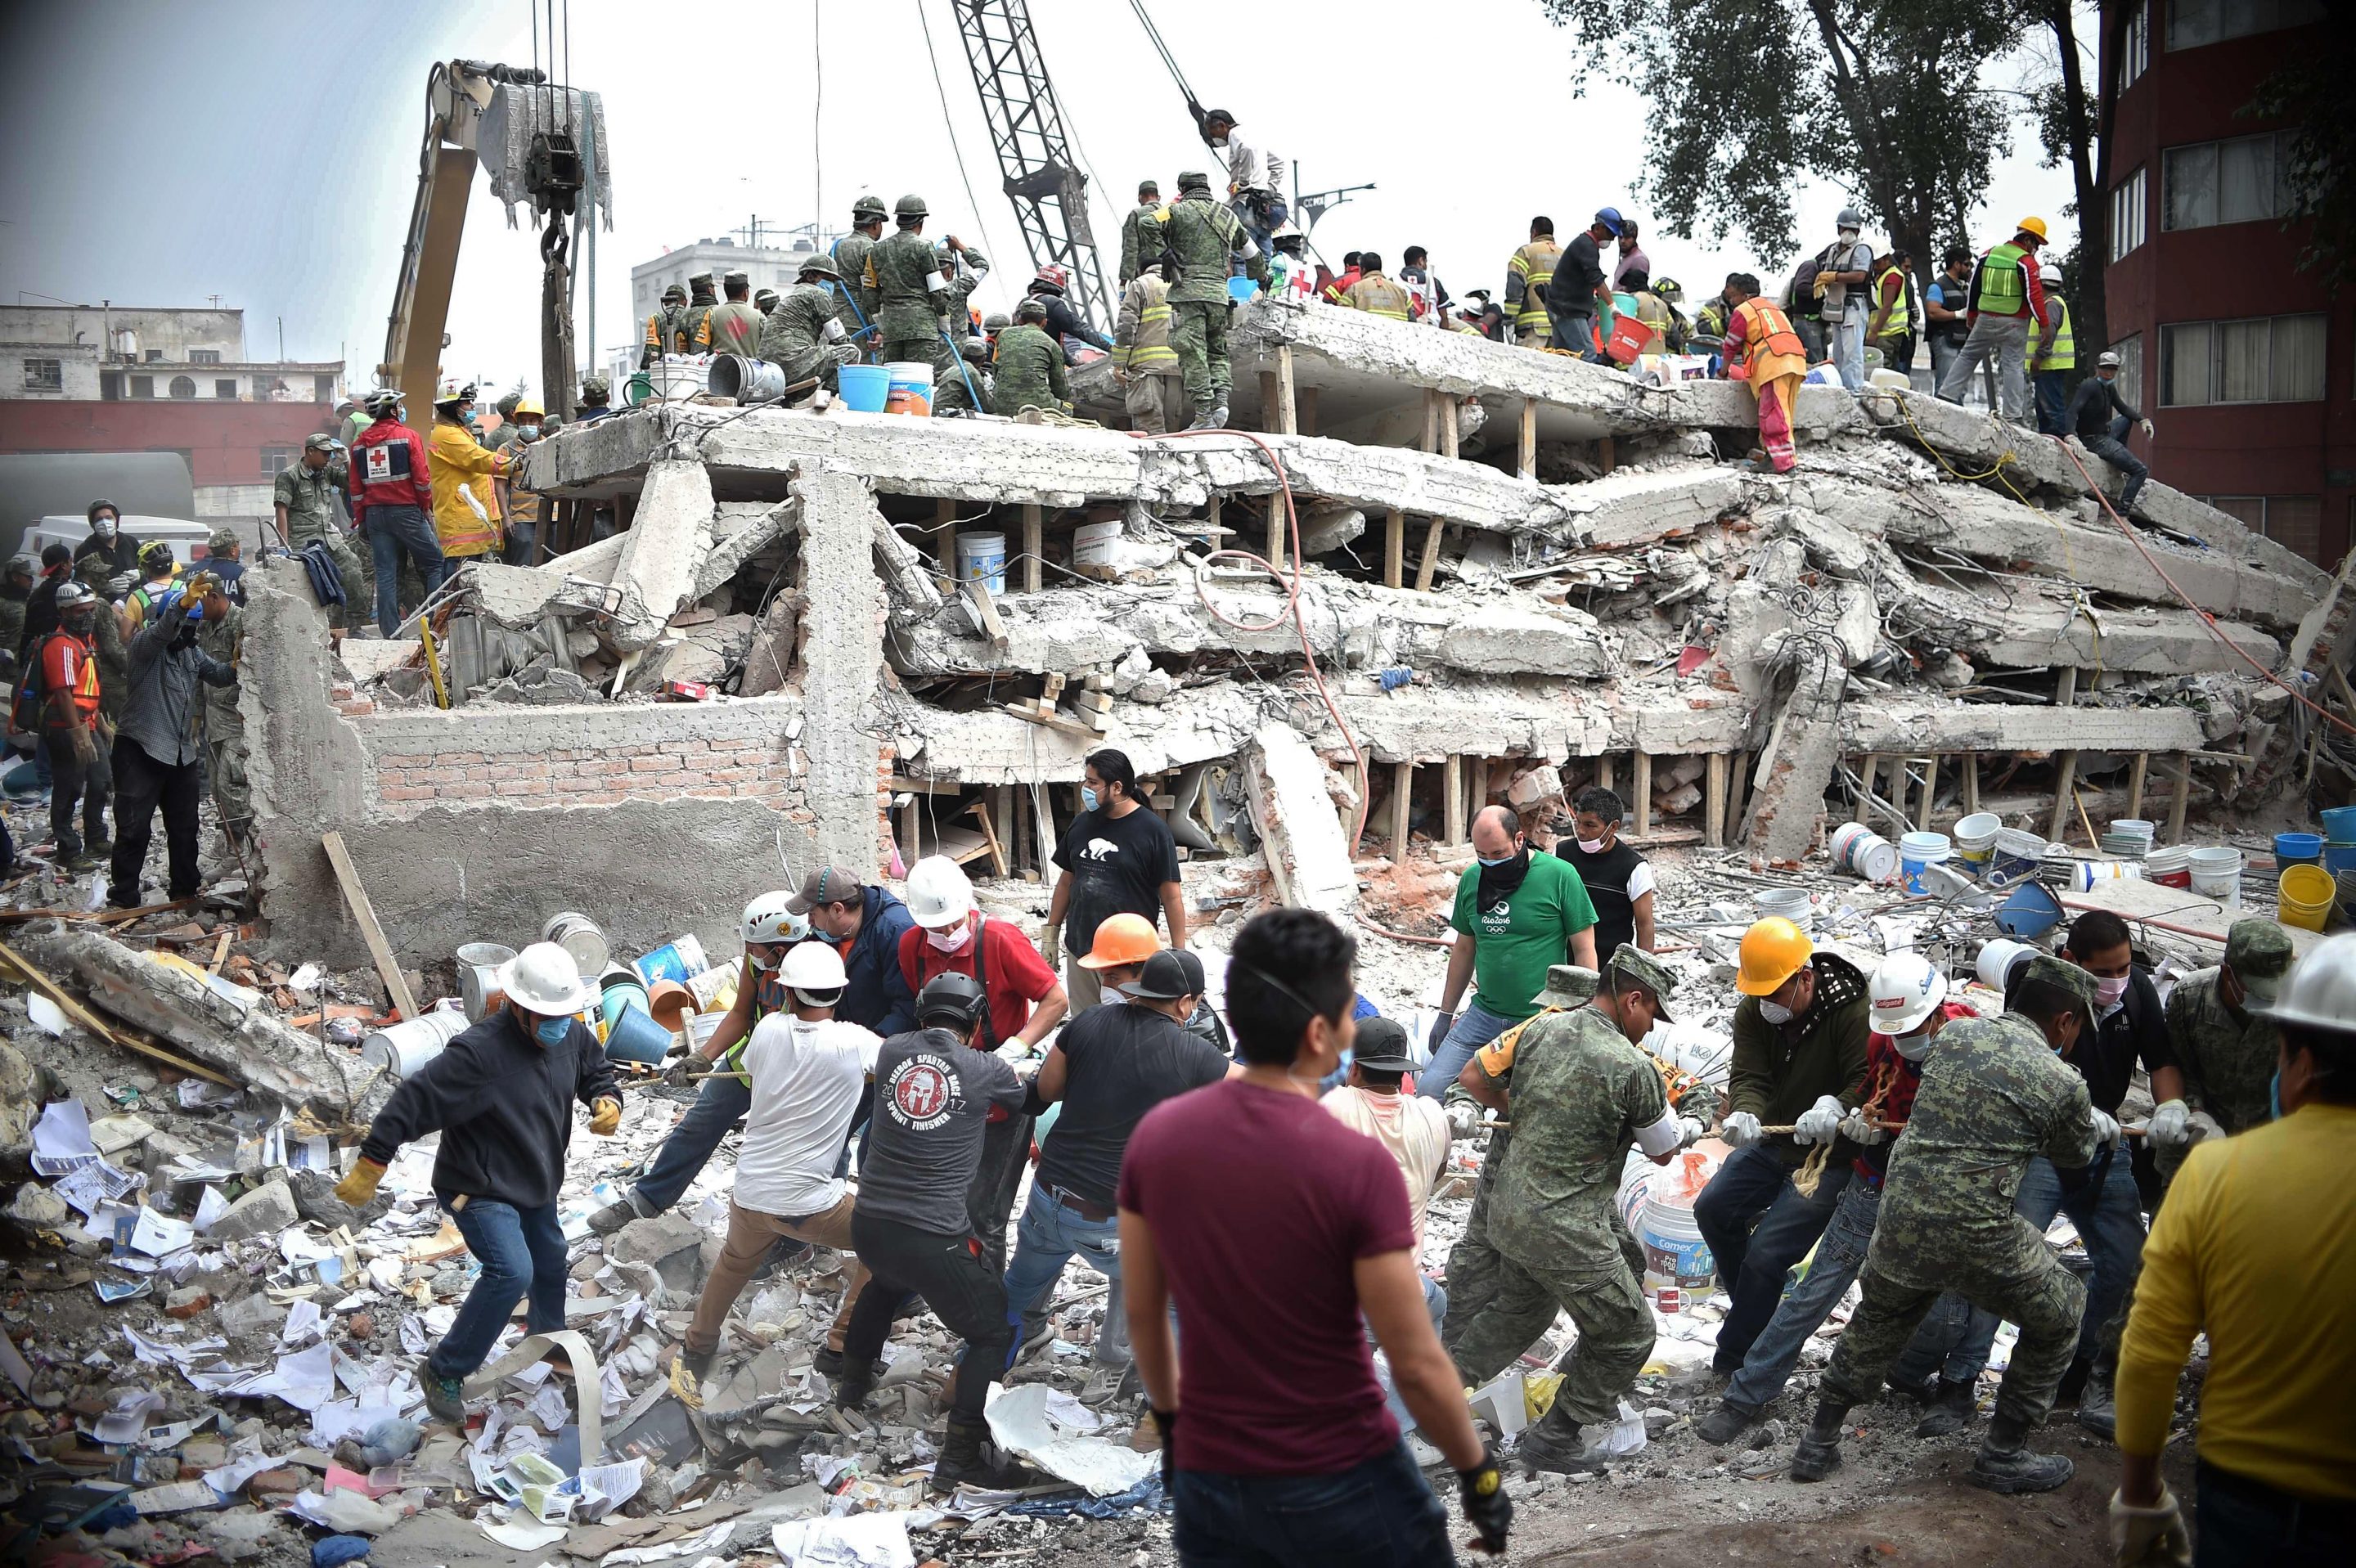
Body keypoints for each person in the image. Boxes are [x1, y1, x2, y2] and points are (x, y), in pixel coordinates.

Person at [1118, 908, 1512, 1563]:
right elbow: (1413, 1360)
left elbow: (1147, 1312)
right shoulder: (1353, 1164)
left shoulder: (1157, 1139)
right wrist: (1479, 1473)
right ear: (1321, 1033)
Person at [1791, 955, 2107, 1494]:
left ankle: (1817, 1442)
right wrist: (2097, 1125)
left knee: (1877, 1321)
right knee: (2062, 1309)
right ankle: (2004, 1452)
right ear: (2065, 1020)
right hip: (1976, 1229)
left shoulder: (1956, 1036)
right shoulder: (2062, 1080)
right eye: (2079, 1025)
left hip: (1901, 1213)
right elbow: (2074, 1155)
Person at [2111, 932, 2356, 1568]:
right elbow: (2172, 1066)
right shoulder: (2189, 1002)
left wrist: (2140, 1496)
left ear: (2299, 1061)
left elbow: (2153, 1348)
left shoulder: (2216, 1178)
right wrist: (2183, 1109)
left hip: (2252, 1493)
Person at [1699, 952, 1986, 1446]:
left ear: (1939, 1012)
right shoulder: (1881, 1039)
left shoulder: (1978, 1048)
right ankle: (1746, 1394)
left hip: (1944, 1193)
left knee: (1967, 1289)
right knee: (1814, 1291)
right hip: (1873, 1181)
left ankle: (1947, 1381)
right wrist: (1856, 1117)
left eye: (1912, 1029)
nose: (1904, 1041)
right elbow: (1868, 1087)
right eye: (1896, 1031)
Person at [336, 943, 618, 1421]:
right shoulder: (478, 1054)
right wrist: (373, 1160)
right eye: (545, 1015)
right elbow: (414, 1100)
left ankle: (546, 1340)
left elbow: (595, 1070)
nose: (557, 1024)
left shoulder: (568, 1033)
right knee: (513, 1272)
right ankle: (445, 1368)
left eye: (564, 1015)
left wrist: (605, 1098)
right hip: (479, 1187)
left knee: (550, 1257)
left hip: (535, 1178)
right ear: (517, 1006)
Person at [1936, 910, 2179, 1438]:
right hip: (2042, 1146)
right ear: (2072, 961)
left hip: (2103, 1145)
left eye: (2125, 967)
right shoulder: (2038, 985)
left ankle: (2083, 1371)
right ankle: (1958, 1383)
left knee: (2127, 1262)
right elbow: (2024, 1055)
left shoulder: (2135, 991)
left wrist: (2171, 1108)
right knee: (2003, 1260)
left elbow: (2160, 1060)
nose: (2118, 979)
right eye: (2106, 971)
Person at [1472, 946, 1690, 1472]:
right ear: (1632, 999)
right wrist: (1695, 1127)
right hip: (1564, 1226)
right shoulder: (1632, 1065)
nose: (1649, 1028)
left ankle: (1436, 1393)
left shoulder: (1543, 1028)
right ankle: (1559, 1433)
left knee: (1538, 1303)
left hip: (1509, 1210)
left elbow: (1477, 1074)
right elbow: (1663, 1147)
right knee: (1633, 1331)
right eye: (1651, 1015)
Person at [832, 973, 1036, 1489]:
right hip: (932, 1234)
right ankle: (961, 1455)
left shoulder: (894, 1050)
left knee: (886, 1285)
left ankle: (850, 1390)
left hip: (871, 1222)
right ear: (975, 1024)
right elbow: (1019, 1100)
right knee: (993, 1331)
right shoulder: (985, 1066)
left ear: (922, 1015)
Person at [1005, 944, 1233, 1403]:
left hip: (1049, 1195)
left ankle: (984, 1364)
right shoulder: (1194, 1054)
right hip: (1110, 1219)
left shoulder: (1088, 1022)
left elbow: (1047, 1088)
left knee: (1018, 1286)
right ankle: (1137, 1388)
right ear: (1187, 1003)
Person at [672, 941, 879, 1404]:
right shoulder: (855, 1042)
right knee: (883, 1243)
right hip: (810, 1205)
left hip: (749, 1194)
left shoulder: (766, 1030)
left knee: (733, 1264)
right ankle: (840, 1345)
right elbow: (891, 1066)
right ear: (837, 994)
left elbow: (771, 1066)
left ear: (786, 993)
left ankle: (695, 1349)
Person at [590, 890, 830, 1234]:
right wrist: (702, 1057)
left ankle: (801, 1235)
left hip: (798, 1075)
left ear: (783, 946)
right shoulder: (758, 962)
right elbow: (741, 1014)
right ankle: (644, 1201)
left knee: (801, 1153)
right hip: (748, 1064)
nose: (749, 952)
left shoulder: (816, 970)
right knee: (698, 1124)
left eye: (756, 947)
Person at [1696, 916, 1869, 1374]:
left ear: (1805, 979)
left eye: (1775, 993)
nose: (1765, 1004)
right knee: (1713, 1209)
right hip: (1773, 1141)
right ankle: (1758, 1312)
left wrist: (1838, 1105)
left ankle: (1736, 1357)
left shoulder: (1851, 1011)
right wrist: (1745, 1111)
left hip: (1828, 1159)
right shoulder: (1756, 1010)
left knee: (1767, 1255)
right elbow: (1749, 1074)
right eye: (1758, 994)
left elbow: (1867, 1077)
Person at [896, 856, 1066, 1273]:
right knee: (937, 1201)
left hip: (998, 1082)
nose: (948, 934)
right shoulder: (911, 947)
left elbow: (1055, 999)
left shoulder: (1000, 940)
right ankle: (942, 1284)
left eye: (954, 924)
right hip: (948, 1085)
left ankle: (988, 1311)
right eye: (937, 928)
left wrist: (1017, 1047)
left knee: (983, 1210)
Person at [1321, 1015, 1451, 1454]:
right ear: (1405, 1074)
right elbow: (1437, 1174)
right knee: (1433, 1306)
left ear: (1353, 1069)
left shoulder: (1330, 1109)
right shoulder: (1433, 1116)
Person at [1423, 804, 1600, 1100]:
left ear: (1519, 840)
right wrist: (1445, 1014)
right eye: (1482, 855)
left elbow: (1584, 950)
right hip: (1485, 1013)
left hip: (1541, 1017)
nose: (1490, 862)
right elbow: (1465, 949)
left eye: (1498, 854)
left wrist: (1581, 1016)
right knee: (1430, 1091)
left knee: (1533, 1102)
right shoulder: (1472, 880)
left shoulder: (1559, 876)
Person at [108, 571, 236, 908]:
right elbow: (164, 629)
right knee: (134, 829)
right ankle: (123, 897)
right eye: (183, 627)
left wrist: (241, 659)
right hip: (140, 748)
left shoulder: (191, 654)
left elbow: (221, 675)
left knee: (184, 827)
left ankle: (184, 891)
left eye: (193, 629)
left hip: (180, 752)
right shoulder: (144, 648)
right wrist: (182, 604)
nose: (187, 634)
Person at [1044, 748, 1185, 1011]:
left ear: (1117, 787)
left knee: (1128, 1030)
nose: (1085, 788)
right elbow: (1066, 883)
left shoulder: (1153, 831)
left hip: (1127, 957)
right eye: (1085, 780)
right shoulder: (1081, 824)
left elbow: (1172, 896)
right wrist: (1050, 934)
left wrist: (1180, 954)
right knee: (1085, 1027)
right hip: (1081, 950)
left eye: (1092, 782)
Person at [1141, 170, 1266, 431]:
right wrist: (1260, 277)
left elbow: (1147, 223)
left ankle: (1203, 415)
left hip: (1189, 294)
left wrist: (1165, 253)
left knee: (1192, 352)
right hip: (1219, 297)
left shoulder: (1176, 211)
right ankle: (1220, 403)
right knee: (1217, 350)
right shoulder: (1228, 216)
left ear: (1183, 189)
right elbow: (1251, 253)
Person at [2159, 919, 2291, 1159]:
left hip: (2269, 1145)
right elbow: (2178, 1064)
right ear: (2227, 972)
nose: (2270, 1000)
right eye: (2258, 991)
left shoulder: (2297, 1005)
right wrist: (2197, 1115)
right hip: (2196, 1139)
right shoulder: (2188, 998)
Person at [1936, 217, 2053, 424]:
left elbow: (1974, 286)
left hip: (1985, 319)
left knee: (1968, 356)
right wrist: (2044, 324)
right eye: (2036, 244)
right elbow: (2034, 296)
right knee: (2013, 366)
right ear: (2027, 240)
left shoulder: (1988, 255)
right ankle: (2013, 416)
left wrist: (1972, 314)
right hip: (2014, 322)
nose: (2036, 249)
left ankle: (1945, 396)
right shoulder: (2026, 262)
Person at [34, 582, 110, 871]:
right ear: (65, 611)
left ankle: (96, 837)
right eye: (82, 611)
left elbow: (88, 687)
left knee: (101, 780)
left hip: (87, 723)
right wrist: (78, 734)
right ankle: (68, 849)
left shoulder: (84, 640)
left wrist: (99, 723)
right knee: (68, 788)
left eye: (91, 610)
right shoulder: (61, 645)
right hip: (66, 728)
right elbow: (64, 693)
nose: (88, 616)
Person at [274, 434, 365, 638]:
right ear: (310, 452)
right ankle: (321, 633)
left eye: (330, 454)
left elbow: (352, 484)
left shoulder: (326, 472)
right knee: (317, 585)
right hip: (304, 541)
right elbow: (281, 511)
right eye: (324, 453)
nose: (328, 457)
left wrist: (347, 461)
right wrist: (284, 548)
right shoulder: (289, 476)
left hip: (329, 539)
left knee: (352, 570)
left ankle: (354, 629)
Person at [1720, 273, 1810, 474]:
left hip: (1774, 362)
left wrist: (1723, 371)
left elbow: (1731, 345)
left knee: (1773, 413)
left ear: (1744, 296)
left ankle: (1784, 464)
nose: (1732, 302)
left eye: (1733, 296)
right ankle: (1775, 457)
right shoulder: (1772, 308)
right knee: (1785, 413)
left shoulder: (1744, 311)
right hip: (1794, 359)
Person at [1554, 786, 1655, 958]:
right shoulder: (1561, 854)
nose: (1580, 831)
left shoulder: (1634, 868)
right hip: (1565, 962)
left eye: (1590, 825)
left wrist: (1640, 975)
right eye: (1578, 822)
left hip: (1610, 965)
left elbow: (1644, 925)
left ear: (1613, 827)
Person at [425, 379, 506, 590]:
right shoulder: (447, 435)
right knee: (458, 592)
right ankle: (443, 623)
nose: (472, 408)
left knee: (467, 592)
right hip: (462, 529)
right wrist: (515, 464)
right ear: (452, 407)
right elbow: (478, 459)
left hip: (469, 525)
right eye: (467, 403)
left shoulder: (459, 431)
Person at [194, 564, 249, 861]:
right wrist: (195, 718)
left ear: (214, 597)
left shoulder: (240, 622)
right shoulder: (203, 627)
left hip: (236, 720)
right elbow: (198, 675)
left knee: (233, 783)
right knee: (217, 786)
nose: (195, 608)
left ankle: (246, 847)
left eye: (199, 601)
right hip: (214, 722)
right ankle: (232, 844)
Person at [863, 195, 951, 372]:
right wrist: (943, 319)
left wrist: (881, 324)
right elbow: (937, 291)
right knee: (917, 380)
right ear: (921, 221)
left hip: (892, 329)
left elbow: (869, 292)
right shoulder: (924, 247)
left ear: (898, 220)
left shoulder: (877, 250)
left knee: (895, 381)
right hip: (922, 328)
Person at [1185, 102, 1287, 254]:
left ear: (1222, 126)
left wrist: (1243, 182)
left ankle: (1243, 279)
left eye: (1213, 133)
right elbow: (1278, 163)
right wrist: (1269, 188)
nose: (1214, 138)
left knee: (1243, 254)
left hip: (1246, 203)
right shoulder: (1252, 135)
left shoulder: (1235, 134)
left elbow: (1247, 150)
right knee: (1264, 256)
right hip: (1263, 206)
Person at [757, 255, 859, 393]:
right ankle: (826, 398)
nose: (832, 285)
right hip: (789, 363)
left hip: (767, 370)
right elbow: (839, 339)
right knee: (851, 352)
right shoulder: (818, 293)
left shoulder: (794, 296)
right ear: (811, 277)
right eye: (829, 279)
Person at [2070, 351, 2155, 517]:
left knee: (2125, 419)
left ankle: (2119, 459)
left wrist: (2143, 420)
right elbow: (2073, 410)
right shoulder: (2090, 386)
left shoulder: (2108, 387)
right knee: (2140, 471)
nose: (2109, 373)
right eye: (2105, 369)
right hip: (2094, 441)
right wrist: (2071, 436)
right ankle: (2122, 513)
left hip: (2105, 433)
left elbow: (2122, 407)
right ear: (2097, 369)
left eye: (2113, 369)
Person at [1113, 260, 1185, 434]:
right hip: (1177, 368)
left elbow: (1126, 326)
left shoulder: (1141, 284)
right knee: (1171, 429)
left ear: (1141, 269)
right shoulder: (1182, 285)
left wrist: (1118, 363)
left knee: (1150, 428)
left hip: (1147, 369)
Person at [928, 239, 992, 415]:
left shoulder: (919, 290)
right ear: (950, 271)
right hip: (953, 357)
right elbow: (982, 267)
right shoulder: (957, 287)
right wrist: (960, 247)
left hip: (927, 356)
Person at [1814, 209, 1876, 393]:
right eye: (1845, 228)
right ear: (1839, 228)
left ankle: (1855, 392)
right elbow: (1822, 267)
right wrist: (1823, 278)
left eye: (1852, 229)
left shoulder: (1861, 250)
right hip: (1837, 306)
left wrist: (1834, 276)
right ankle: (1842, 391)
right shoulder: (1833, 250)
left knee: (1853, 354)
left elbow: (1859, 275)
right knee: (1839, 355)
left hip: (1854, 306)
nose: (1848, 233)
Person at [1544, 210, 1618, 361]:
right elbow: (1595, 277)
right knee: (1588, 354)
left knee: (1564, 357)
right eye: (1610, 234)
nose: (1612, 239)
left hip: (1560, 307)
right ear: (1598, 228)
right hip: (1569, 311)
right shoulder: (1587, 246)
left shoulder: (1584, 244)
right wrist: (1612, 306)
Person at [991, 299, 1072, 416]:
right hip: (1039, 405)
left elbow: (996, 369)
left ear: (1020, 319)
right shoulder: (1052, 344)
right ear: (1044, 322)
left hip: (1002, 403)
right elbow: (1060, 387)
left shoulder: (1003, 335)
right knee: (1068, 409)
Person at [1021, 264, 1114, 362]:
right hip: (1041, 364)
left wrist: (1072, 362)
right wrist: (1111, 347)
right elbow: (1080, 329)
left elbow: (1053, 340)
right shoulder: (1052, 303)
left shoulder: (1023, 303)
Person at [830, 195, 888, 350]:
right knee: (862, 369)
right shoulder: (871, 249)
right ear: (876, 223)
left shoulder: (836, 247)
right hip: (860, 322)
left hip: (832, 321)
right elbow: (871, 291)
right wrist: (879, 328)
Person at [497, 402, 546, 566]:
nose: (527, 425)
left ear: (540, 424)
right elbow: (500, 486)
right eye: (523, 421)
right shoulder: (506, 450)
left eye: (532, 421)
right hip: (521, 518)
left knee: (552, 565)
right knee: (523, 566)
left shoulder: (551, 445)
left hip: (551, 516)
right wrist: (505, 517)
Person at [2031, 267, 2075, 435]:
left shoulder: (2050, 305)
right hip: (2050, 365)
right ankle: (2050, 439)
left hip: (2049, 365)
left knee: (2051, 410)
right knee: (2045, 410)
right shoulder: (2054, 303)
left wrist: (2038, 357)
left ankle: (2058, 442)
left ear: (2040, 284)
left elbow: (2048, 332)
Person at [1923, 245, 1975, 390]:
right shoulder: (1938, 286)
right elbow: (1933, 312)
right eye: (1966, 264)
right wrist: (1958, 314)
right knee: (1946, 384)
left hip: (1962, 343)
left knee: (1960, 387)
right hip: (1945, 341)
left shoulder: (1965, 287)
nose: (1969, 268)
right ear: (1956, 265)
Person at [1866, 246, 1914, 374]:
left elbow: (1887, 307)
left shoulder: (1892, 277)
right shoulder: (1882, 275)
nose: (1875, 266)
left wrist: (1874, 332)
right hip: (1885, 332)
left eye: (1878, 262)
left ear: (1887, 259)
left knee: (1883, 372)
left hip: (1888, 333)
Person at [119, 542, 180, 638]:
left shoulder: (137, 596)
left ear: (145, 568)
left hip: (150, 651)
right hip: (184, 652)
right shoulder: (185, 589)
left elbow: (125, 637)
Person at [73, 500, 140, 585]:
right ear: (93, 524)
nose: (104, 523)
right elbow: (79, 584)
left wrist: (140, 575)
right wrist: (106, 588)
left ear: (116, 520)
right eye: (99, 519)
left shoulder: (131, 542)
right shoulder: (85, 550)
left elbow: (149, 570)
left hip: (134, 596)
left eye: (109, 518)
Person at [701, 272, 762, 361]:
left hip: (720, 371)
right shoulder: (759, 317)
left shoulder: (712, 314)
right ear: (746, 292)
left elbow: (700, 348)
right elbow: (768, 348)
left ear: (726, 291)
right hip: (750, 371)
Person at [1339, 251, 1413, 321]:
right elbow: (1412, 319)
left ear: (1363, 270)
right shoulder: (1401, 291)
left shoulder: (1355, 289)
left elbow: (1343, 315)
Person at [1119, 179, 1164, 286]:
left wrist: (1123, 282)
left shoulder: (1136, 214)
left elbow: (1130, 249)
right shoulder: (1170, 213)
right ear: (1158, 197)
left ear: (1140, 197)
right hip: (1169, 273)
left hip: (1144, 274)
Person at [642, 282, 688, 366]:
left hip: (666, 372)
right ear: (685, 302)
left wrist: (645, 368)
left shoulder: (656, 319)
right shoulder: (692, 316)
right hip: (692, 372)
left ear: (665, 303)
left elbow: (651, 351)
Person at [1398, 245, 1449, 321]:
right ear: (1421, 261)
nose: (1426, 265)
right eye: (1426, 262)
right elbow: (1444, 316)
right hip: (1432, 329)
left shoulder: (1394, 281)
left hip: (1405, 328)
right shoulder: (1434, 282)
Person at [674, 273, 719, 356]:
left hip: (692, 366)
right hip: (718, 366)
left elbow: (680, 348)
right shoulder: (719, 313)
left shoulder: (684, 317)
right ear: (710, 290)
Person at [0, 554, 35, 661]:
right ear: (15, 577)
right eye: (28, 576)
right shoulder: (2, 602)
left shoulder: (28, 600)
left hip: (19, 666)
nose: (32, 580)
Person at [1610, 218, 1648, 290]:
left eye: (1627, 237)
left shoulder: (1639, 259)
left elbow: (1640, 290)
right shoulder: (1625, 258)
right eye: (1620, 237)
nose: (1623, 241)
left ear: (1634, 238)